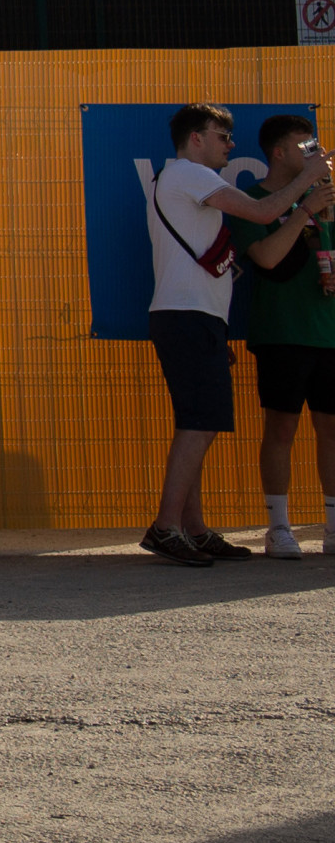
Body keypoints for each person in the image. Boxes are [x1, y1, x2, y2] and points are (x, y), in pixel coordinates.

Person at [144, 102, 324, 563]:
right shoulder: (191, 173)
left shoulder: (182, 178)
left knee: (198, 421)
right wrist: (309, 183)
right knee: (199, 424)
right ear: (196, 138)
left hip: (196, 315)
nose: (231, 145)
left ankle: (194, 528)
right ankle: (166, 526)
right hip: (187, 315)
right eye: (222, 136)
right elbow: (263, 212)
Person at [234, 114, 335, 558]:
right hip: (282, 331)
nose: (317, 156)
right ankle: (278, 527)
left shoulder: (329, 199)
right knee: (282, 427)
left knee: (332, 427)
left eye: (317, 149)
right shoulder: (250, 199)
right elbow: (267, 259)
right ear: (278, 152)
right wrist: (304, 210)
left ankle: (333, 527)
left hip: (328, 330)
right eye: (305, 147)